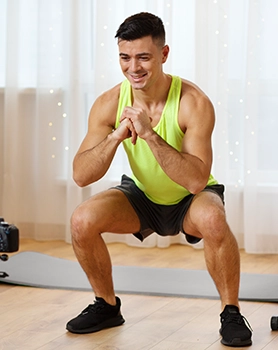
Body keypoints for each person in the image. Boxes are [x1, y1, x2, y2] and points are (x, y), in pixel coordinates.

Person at [66, 12, 252, 347]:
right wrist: (114, 138)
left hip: (189, 199)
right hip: (142, 195)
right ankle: (106, 305)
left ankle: (231, 312)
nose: (133, 68)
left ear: (163, 55)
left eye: (143, 58)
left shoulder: (193, 102)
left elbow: (196, 180)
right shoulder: (109, 103)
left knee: (213, 217)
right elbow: (81, 175)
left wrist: (150, 135)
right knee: (81, 220)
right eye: (125, 58)